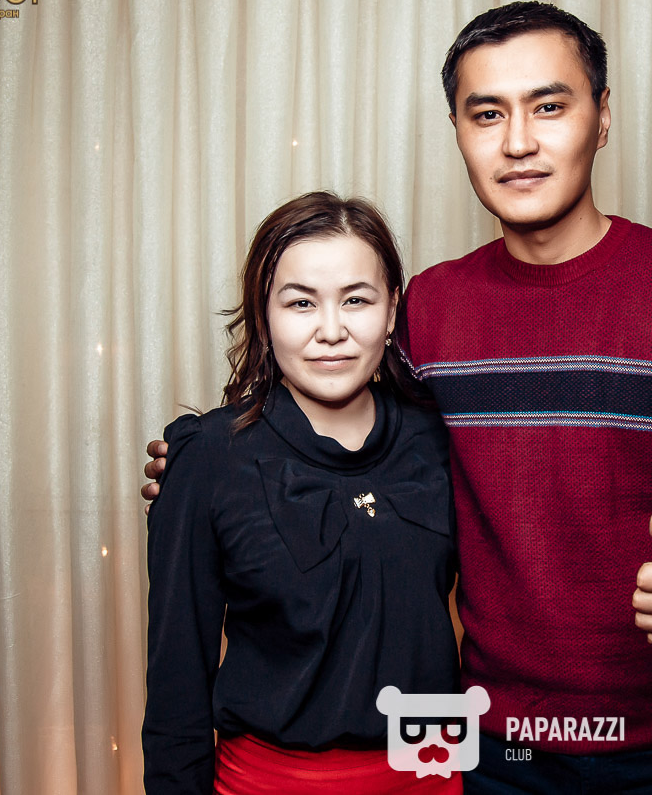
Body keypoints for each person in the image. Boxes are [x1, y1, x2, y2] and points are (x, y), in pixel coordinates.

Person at [146, 2, 652, 794]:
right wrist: (205, 466)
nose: (518, 141)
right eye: (487, 114)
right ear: (458, 131)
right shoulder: (429, 311)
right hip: (496, 748)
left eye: (549, 106)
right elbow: (344, 438)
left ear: (603, 116)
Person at [142, 191, 461, 794]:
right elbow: (176, 685)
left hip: (435, 775)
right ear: (264, 316)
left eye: (357, 300)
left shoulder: (441, 437)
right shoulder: (208, 457)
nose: (331, 331)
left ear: (392, 309)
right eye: (301, 303)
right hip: (269, 782)